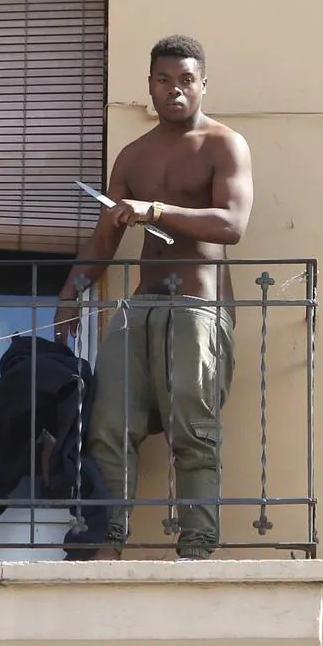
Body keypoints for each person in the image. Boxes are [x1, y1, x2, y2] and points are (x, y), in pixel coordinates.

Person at [55, 35, 254, 560]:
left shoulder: (223, 144)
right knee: (108, 425)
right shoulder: (134, 154)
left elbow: (232, 223)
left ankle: (197, 542)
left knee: (194, 423)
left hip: (197, 306)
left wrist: (155, 211)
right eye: (164, 80)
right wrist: (70, 294)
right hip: (140, 306)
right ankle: (107, 541)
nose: (175, 91)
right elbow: (103, 239)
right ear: (149, 86)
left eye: (186, 80)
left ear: (203, 84)